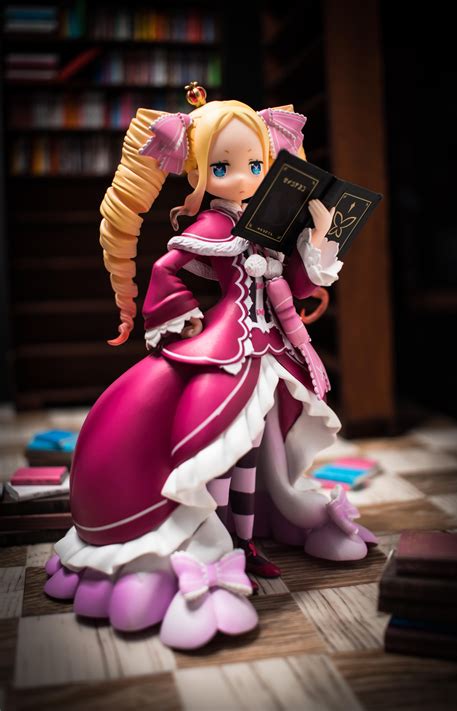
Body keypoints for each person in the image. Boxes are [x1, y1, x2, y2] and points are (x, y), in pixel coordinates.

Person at [43, 84, 378, 650]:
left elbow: (297, 284)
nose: (242, 177)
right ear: (200, 174)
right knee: (215, 448)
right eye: (223, 167)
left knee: (257, 449)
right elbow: (167, 270)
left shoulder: (272, 224)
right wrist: (182, 316)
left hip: (270, 349)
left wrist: (320, 238)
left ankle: (246, 540)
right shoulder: (213, 228)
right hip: (226, 347)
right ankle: (216, 540)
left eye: (255, 165)